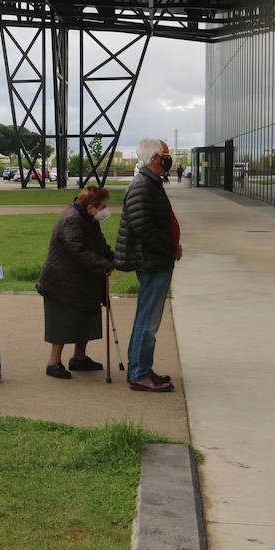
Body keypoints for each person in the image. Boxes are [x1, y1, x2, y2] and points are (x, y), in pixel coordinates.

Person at [115, 138, 181, 392]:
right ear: (155, 158)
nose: (168, 158)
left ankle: (141, 368)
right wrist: (171, 247)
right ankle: (139, 373)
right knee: (148, 320)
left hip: (156, 259)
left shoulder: (150, 183)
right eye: (166, 154)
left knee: (148, 319)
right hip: (151, 261)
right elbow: (144, 228)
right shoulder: (143, 185)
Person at [36, 185, 115, 379]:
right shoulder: (72, 219)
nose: (105, 210)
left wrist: (112, 258)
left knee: (86, 316)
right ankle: (53, 363)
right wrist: (104, 264)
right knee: (61, 322)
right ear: (90, 207)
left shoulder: (88, 218)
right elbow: (77, 250)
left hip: (81, 280)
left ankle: (79, 358)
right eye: (102, 206)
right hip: (61, 282)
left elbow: (99, 242)